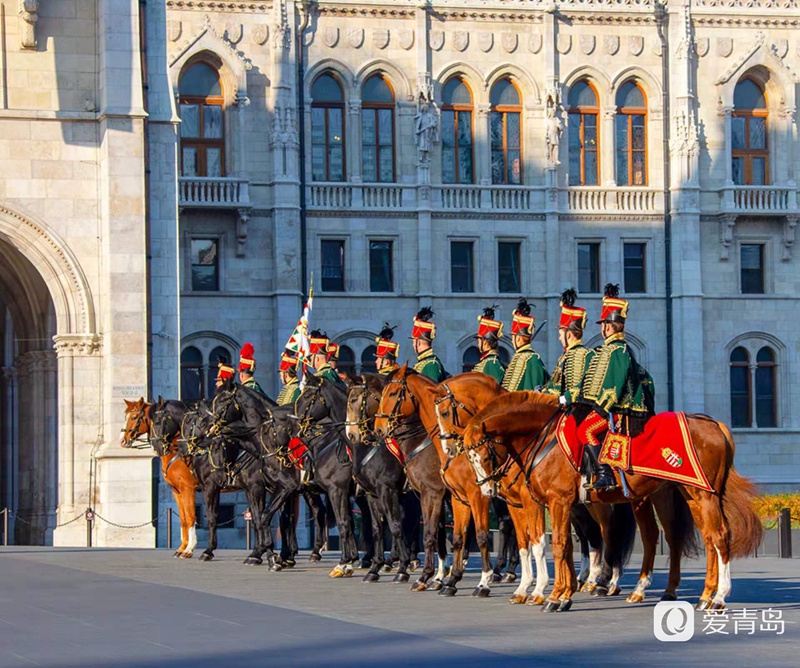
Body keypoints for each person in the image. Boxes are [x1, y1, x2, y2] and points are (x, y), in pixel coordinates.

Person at [577, 284, 640, 492]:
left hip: (616, 408)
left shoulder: (619, 350)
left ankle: (605, 473)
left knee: (585, 430)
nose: (601, 328)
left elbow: (613, 387)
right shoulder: (608, 349)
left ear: (608, 325)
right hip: (605, 406)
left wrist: (599, 408)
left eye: (603, 324)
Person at [542, 288, 595, 405]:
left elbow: (585, 387)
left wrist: (564, 398)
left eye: (561, 334)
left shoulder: (588, 355)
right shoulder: (564, 356)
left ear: (569, 334)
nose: (559, 338)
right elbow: (554, 384)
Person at [502, 298, 547, 391]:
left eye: (513, 336)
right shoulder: (519, 357)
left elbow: (532, 395)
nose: (511, 341)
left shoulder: (532, 360)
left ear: (518, 338)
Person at [411, 306, 448, 382]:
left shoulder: (431, 365)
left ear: (418, 342)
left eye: (413, 341)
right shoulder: (423, 363)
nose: (412, 344)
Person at [472, 305, 505, 384]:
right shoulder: (487, 361)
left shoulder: (492, 363)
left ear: (485, 342)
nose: (478, 343)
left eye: (479, 340)